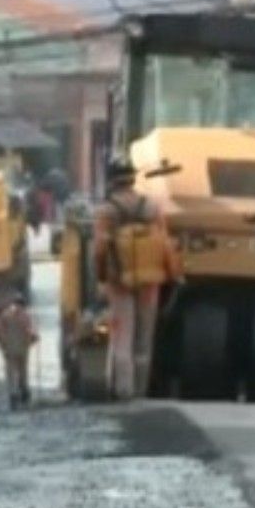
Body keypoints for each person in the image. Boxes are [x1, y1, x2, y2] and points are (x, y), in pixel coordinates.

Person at [91, 156, 178, 400]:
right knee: (144, 338)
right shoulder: (151, 207)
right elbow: (165, 243)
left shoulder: (106, 210)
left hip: (119, 282)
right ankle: (141, 390)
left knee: (122, 336)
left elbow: (99, 248)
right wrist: (172, 273)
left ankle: (124, 390)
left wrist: (101, 276)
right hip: (150, 279)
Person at [0, 294, 39, 410]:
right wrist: (34, 338)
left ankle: (13, 394)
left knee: (11, 372)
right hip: (22, 348)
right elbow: (30, 331)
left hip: (9, 349)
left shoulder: (4, 315)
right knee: (23, 371)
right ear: (22, 304)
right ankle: (24, 391)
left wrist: (2, 342)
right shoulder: (25, 315)